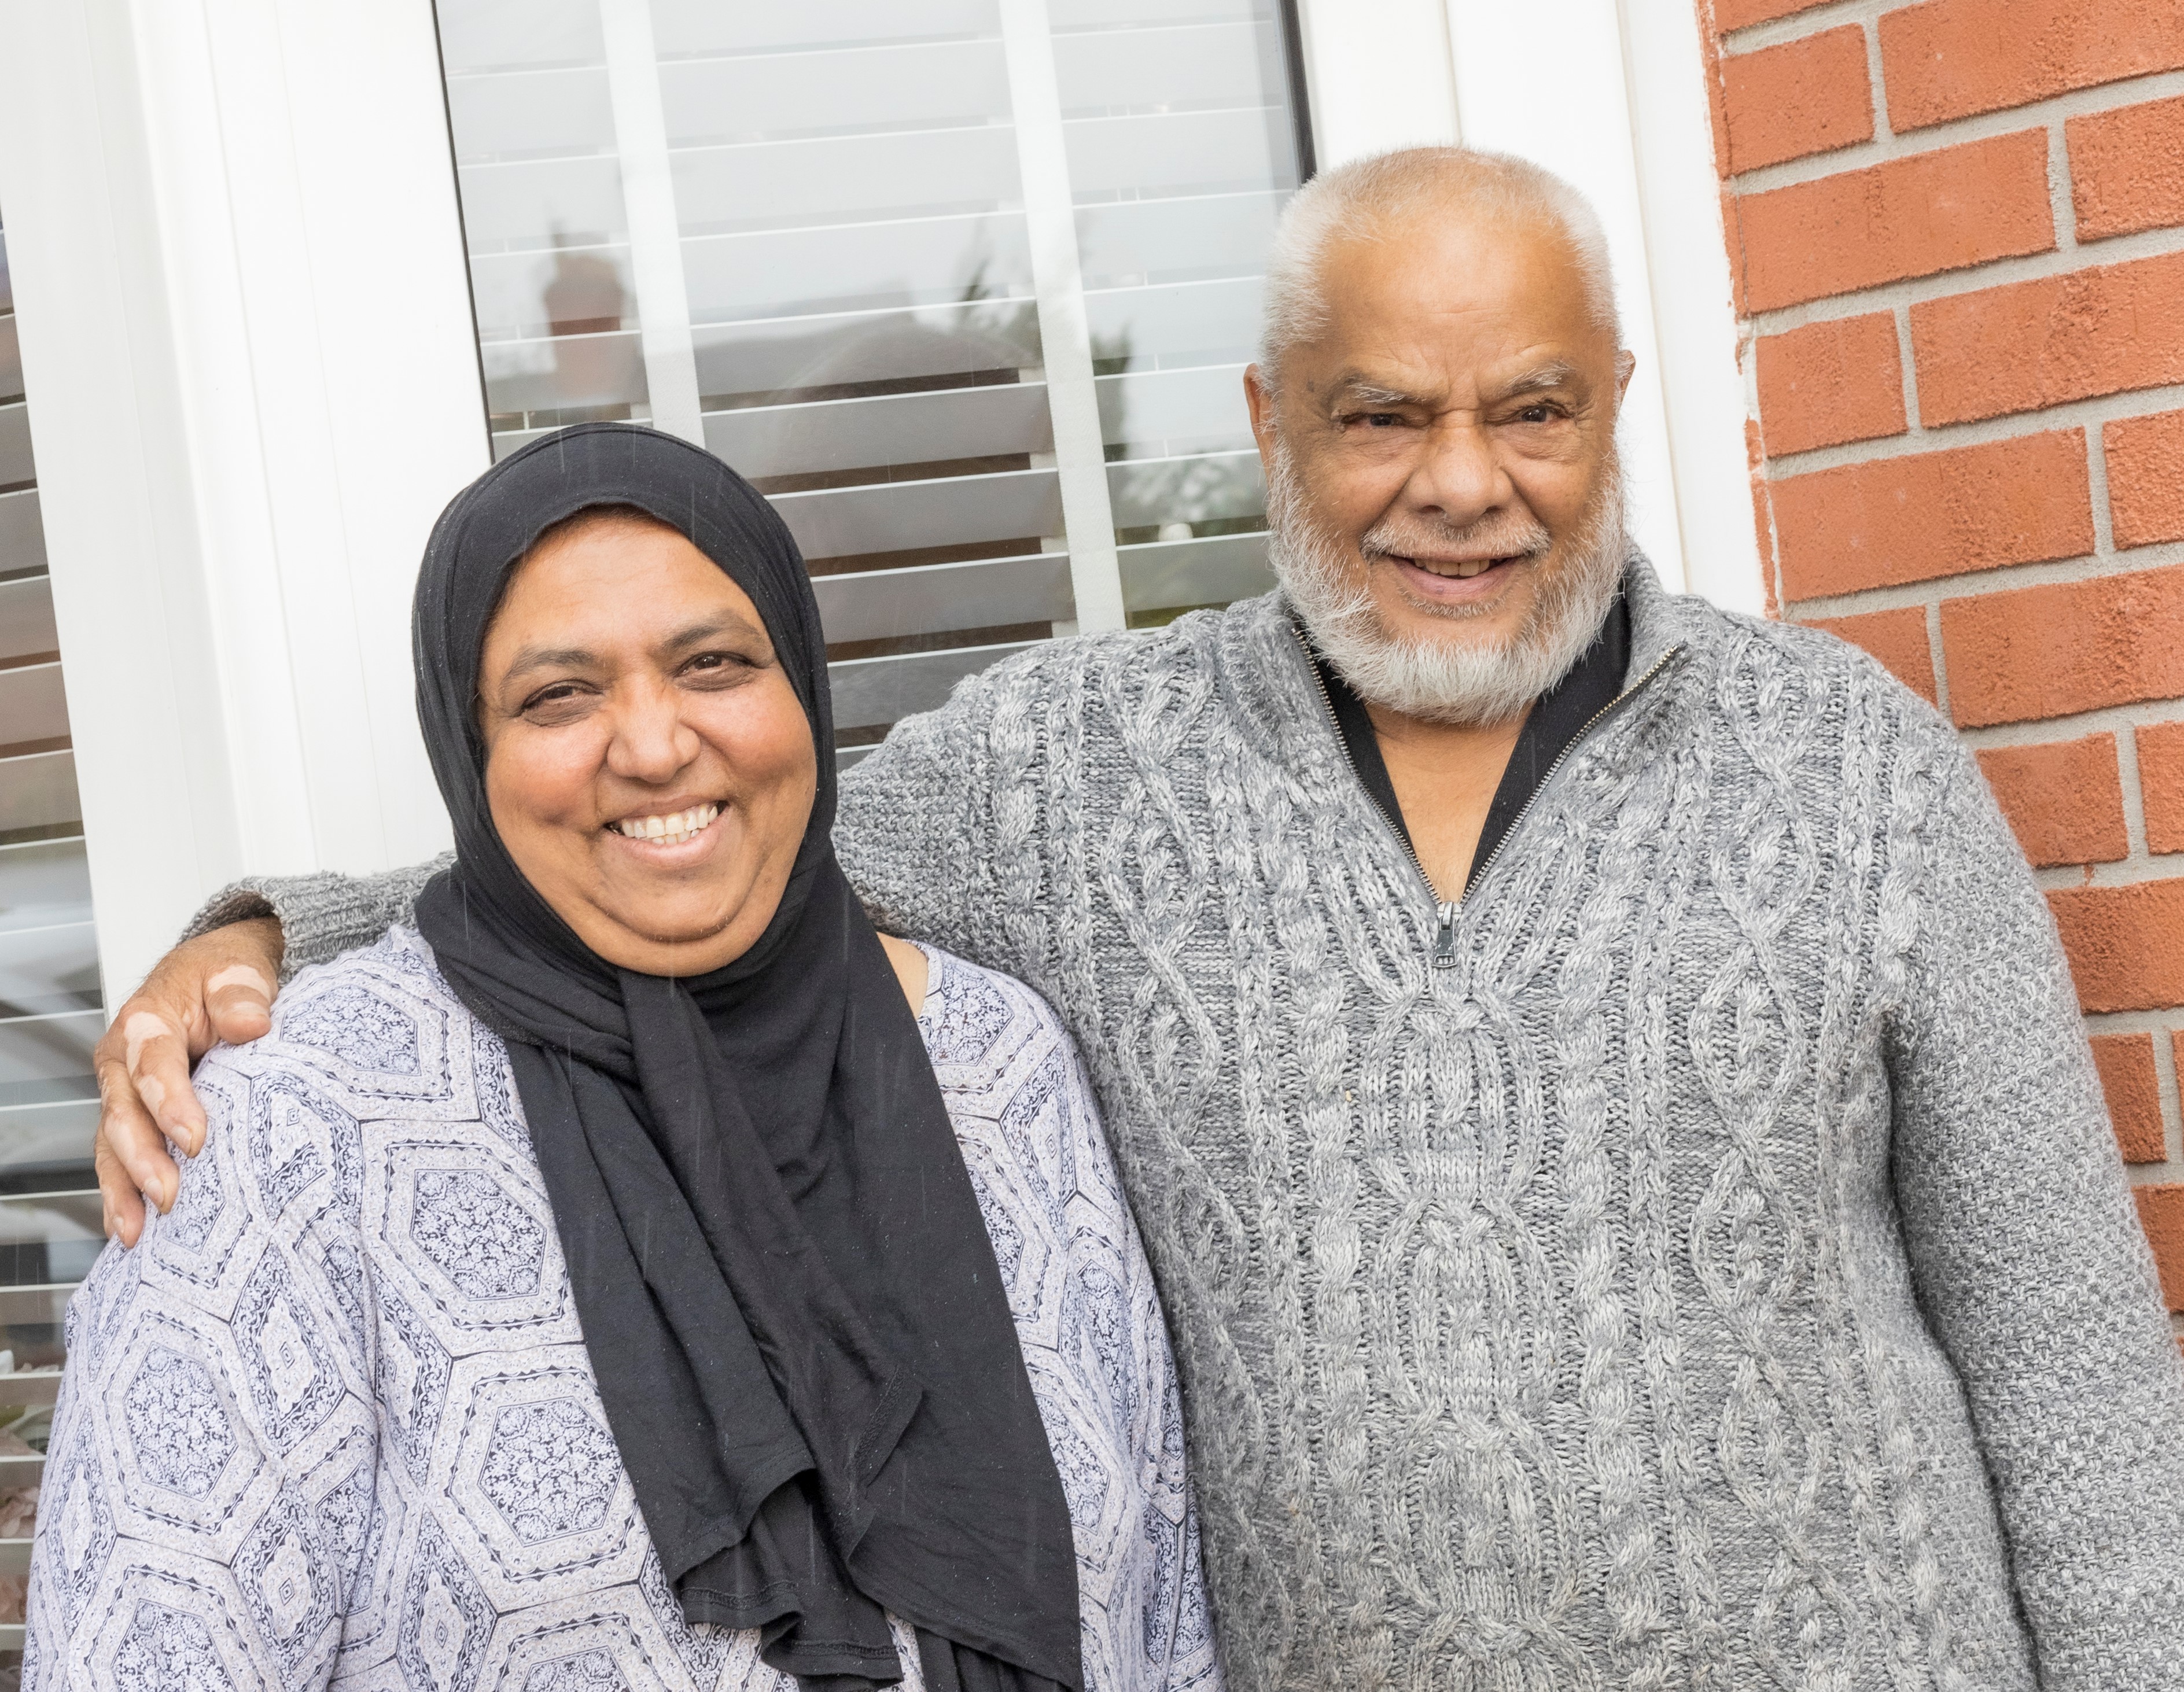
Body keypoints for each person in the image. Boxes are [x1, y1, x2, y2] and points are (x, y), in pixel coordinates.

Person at [91, 148, 2184, 1689]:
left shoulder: (1853, 769)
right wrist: (284, 929)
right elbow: (712, 832)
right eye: (1385, 412)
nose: (1463, 483)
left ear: (1608, 407)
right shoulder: (1078, 771)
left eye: (1527, 407)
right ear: (1272, 421)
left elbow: (2073, 1369)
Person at [30, 426, 1219, 1692]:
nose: (654, 745)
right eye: (559, 695)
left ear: (803, 688)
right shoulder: (295, 1129)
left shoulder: (995, 1063)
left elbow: (1164, 1623)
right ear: (466, 748)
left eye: (714, 663)